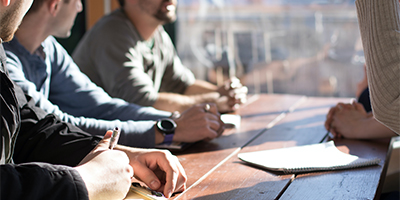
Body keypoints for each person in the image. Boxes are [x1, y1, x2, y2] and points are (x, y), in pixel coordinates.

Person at [0, 0, 186, 199]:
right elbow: (139, 97)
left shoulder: (43, 49)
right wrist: (85, 179)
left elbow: (31, 128)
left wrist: (118, 154)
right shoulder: (112, 31)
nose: (80, 8)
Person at [4, 0, 224, 148]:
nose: (81, 7)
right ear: (54, 5)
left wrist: (173, 120)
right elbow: (59, 125)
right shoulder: (7, 62)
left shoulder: (48, 48)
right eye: (77, 0)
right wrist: (168, 130)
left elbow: (102, 105)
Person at [72, 0, 248, 114]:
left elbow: (183, 85)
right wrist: (215, 101)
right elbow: (143, 102)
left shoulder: (158, 34)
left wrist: (223, 92)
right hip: (92, 143)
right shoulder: (112, 33)